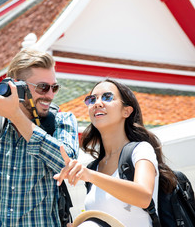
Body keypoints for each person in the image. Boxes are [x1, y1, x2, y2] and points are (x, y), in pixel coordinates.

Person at [0, 48, 79, 226]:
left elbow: (68, 165)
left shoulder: (62, 120)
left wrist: (16, 116)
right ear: (17, 87)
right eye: (43, 87)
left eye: (54, 87)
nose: (50, 95)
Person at [54, 79, 177, 227]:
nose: (97, 103)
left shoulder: (141, 150)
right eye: (92, 99)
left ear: (126, 111)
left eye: (107, 97)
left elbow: (143, 196)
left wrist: (90, 175)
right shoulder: (94, 167)